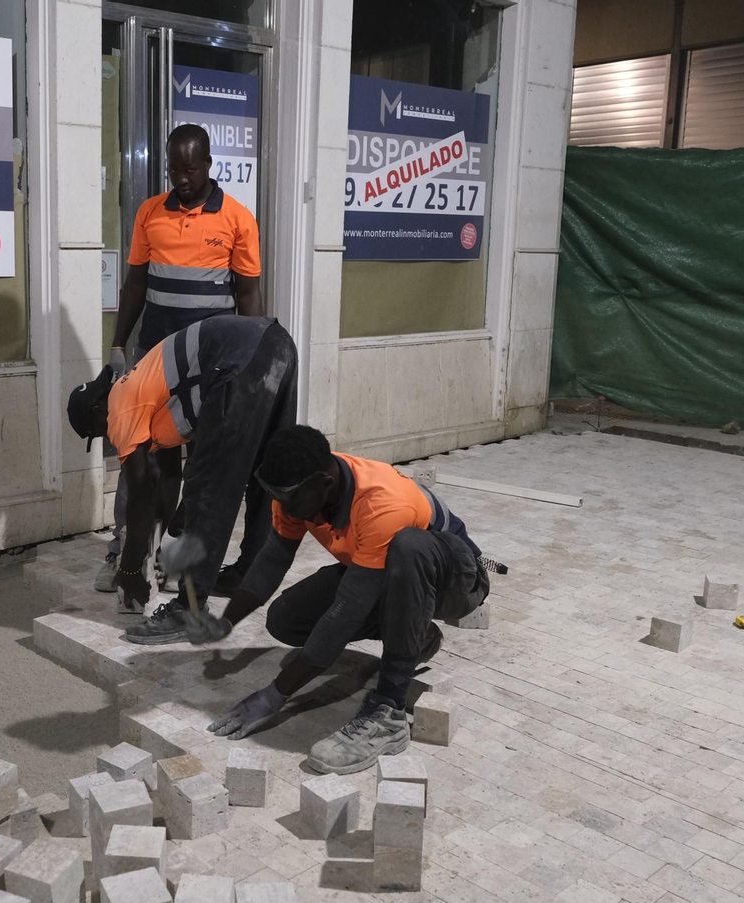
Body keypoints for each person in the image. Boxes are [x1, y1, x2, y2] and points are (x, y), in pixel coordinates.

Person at [178, 425, 491, 775]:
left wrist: (274, 695)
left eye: (288, 498)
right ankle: (416, 637)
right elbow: (271, 562)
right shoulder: (298, 492)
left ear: (324, 482)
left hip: (457, 581)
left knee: (408, 547)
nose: (281, 506)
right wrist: (226, 621)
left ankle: (388, 712)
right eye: (275, 495)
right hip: (393, 577)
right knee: (286, 618)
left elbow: (345, 613)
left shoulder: (382, 503)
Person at [95, 122, 264, 598]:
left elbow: (249, 295)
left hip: (209, 366)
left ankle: (176, 558)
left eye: (190, 169)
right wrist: (117, 345)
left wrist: (250, 359)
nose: (182, 178)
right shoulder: (150, 213)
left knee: (203, 465)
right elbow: (135, 284)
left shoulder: (237, 218)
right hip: (155, 360)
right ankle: (127, 547)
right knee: (143, 452)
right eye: (174, 169)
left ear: (209, 164)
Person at [68, 315, 295, 641]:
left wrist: (130, 570)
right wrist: (173, 527)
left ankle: (188, 608)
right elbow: (161, 479)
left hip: (238, 360)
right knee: (265, 468)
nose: (109, 438)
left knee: (209, 487)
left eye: (99, 432)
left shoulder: (119, 406)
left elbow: (141, 494)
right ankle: (246, 574)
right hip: (275, 343)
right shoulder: (146, 387)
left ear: (97, 411)